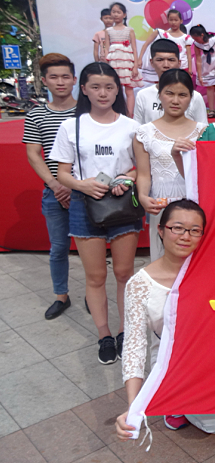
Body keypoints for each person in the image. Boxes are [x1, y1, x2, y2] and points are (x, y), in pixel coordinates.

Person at [115, 199, 215, 436]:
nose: (185, 236)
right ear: (161, 230)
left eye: (194, 230)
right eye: (177, 228)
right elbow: (134, 346)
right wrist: (133, 406)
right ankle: (176, 404)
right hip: (176, 362)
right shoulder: (139, 285)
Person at [50, 62, 142, 364]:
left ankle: (125, 330)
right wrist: (82, 185)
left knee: (124, 273)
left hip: (122, 203)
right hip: (83, 204)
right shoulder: (71, 126)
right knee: (95, 276)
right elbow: (62, 173)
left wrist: (127, 177)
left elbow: (140, 168)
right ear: (84, 90)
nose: (103, 93)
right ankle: (104, 335)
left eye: (109, 87)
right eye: (96, 87)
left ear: (117, 90)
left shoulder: (130, 126)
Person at [23, 53, 78, 320]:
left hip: (87, 191)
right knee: (58, 248)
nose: (60, 82)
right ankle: (61, 296)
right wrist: (56, 185)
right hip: (54, 193)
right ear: (44, 81)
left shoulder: (88, 112)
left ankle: (94, 294)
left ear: (74, 80)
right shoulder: (36, 115)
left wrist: (75, 185)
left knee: (94, 246)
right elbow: (34, 154)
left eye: (65, 76)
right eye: (54, 77)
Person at [134, 69, 207, 262]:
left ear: (191, 98)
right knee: (164, 260)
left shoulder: (203, 132)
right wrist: (143, 196)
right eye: (169, 93)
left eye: (182, 95)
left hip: (195, 203)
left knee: (195, 261)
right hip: (161, 204)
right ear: (159, 95)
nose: (175, 100)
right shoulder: (144, 133)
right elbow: (144, 174)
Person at [134, 39, 208, 125]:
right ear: (152, 62)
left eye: (171, 60)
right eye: (160, 60)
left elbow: (203, 129)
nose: (166, 65)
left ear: (179, 63)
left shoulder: (195, 97)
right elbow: (138, 129)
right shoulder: (143, 95)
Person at [103, 2, 142, 116]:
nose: (116, 14)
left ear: (124, 15)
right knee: (114, 88)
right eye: (113, 12)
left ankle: (130, 114)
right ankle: (115, 113)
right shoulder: (108, 31)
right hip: (113, 63)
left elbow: (134, 49)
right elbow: (107, 48)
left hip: (127, 63)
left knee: (129, 90)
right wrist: (106, 64)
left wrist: (135, 66)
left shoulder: (129, 30)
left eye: (118, 12)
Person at [137, 10, 193, 77]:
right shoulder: (161, 33)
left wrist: (190, 70)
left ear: (181, 21)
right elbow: (146, 44)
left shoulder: (186, 38)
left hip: (182, 68)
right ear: (167, 20)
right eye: (171, 20)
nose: (173, 22)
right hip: (166, 67)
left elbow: (189, 55)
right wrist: (140, 59)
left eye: (176, 20)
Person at [189, 24, 215, 119]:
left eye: (196, 38)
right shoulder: (197, 44)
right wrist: (200, 75)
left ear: (202, 35)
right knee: (209, 87)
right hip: (207, 65)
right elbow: (198, 59)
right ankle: (211, 109)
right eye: (194, 39)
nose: (195, 40)